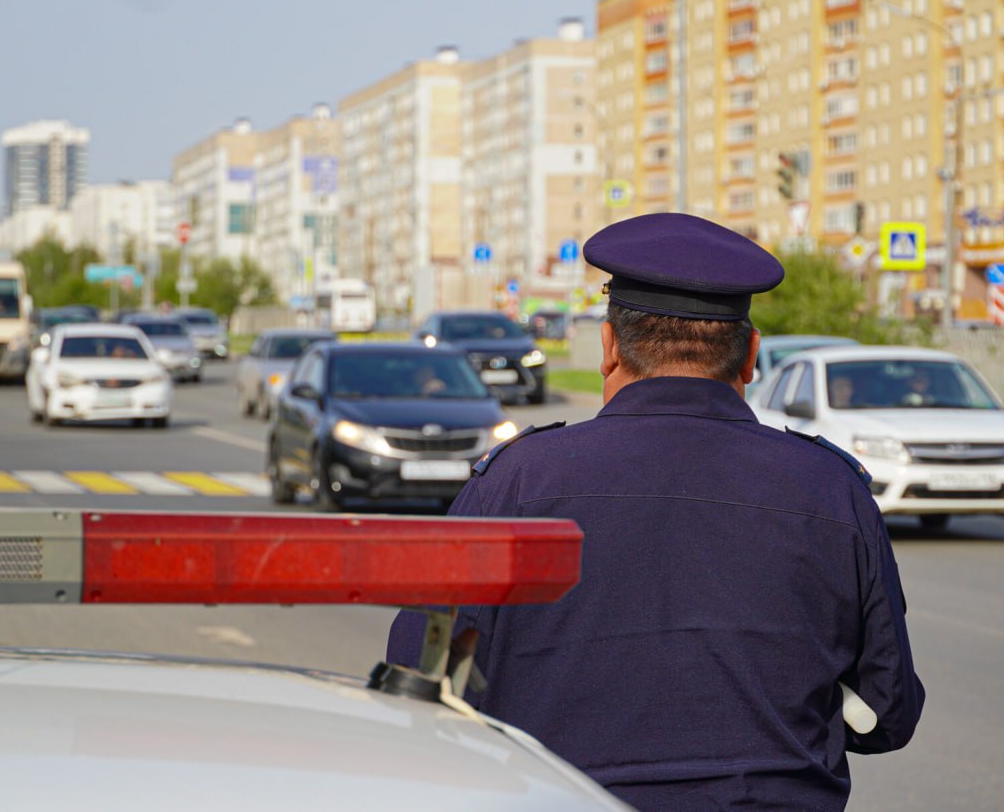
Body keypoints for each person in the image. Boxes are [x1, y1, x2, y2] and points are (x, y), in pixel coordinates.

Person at [386, 213, 924, 811]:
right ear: (750, 356)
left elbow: (417, 681)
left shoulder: (514, 483)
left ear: (610, 346)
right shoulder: (831, 489)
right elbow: (886, 712)